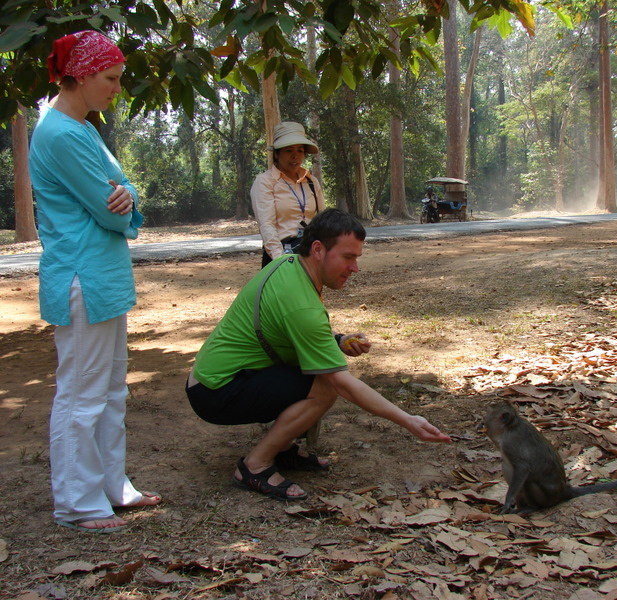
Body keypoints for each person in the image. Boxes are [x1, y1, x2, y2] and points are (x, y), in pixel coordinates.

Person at [186, 208, 452, 500]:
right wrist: (408, 420)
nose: (355, 268)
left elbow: (290, 332)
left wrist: (336, 340)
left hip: (214, 378)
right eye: (348, 257)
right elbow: (342, 383)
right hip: (216, 391)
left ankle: (283, 448)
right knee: (324, 387)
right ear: (318, 249)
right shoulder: (302, 306)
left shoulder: (290, 263)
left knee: (317, 376)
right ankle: (255, 466)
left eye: (356, 258)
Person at [28, 30, 161, 533]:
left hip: (103, 277)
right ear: (79, 76)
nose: (117, 88)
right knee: (81, 395)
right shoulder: (60, 132)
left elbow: (121, 190)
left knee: (109, 392)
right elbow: (111, 212)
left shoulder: (81, 126)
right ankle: (77, 503)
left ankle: (111, 486)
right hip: (82, 275)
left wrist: (126, 196)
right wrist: (125, 201)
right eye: (110, 78)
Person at [251, 122, 324, 268]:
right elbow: (267, 225)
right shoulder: (265, 182)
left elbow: (322, 220)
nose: (295, 156)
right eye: (289, 150)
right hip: (280, 256)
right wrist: (282, 261)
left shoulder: (311, 181)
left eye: (300, 151)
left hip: (310, 254)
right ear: (277, 154)